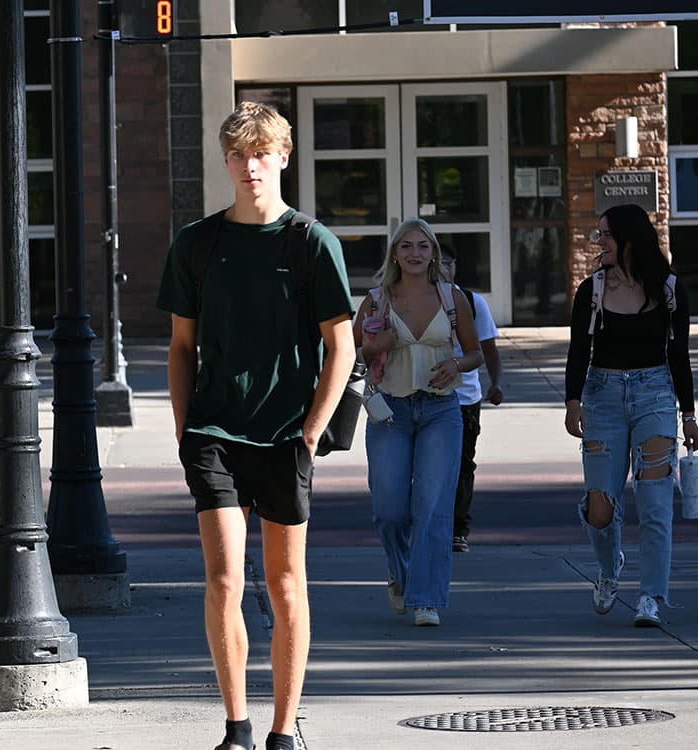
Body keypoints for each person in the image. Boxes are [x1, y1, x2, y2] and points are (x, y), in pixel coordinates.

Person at [156, 102, 355, 750]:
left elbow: (342, 345)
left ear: (283, 156)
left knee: (286, 581)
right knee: (222, 580)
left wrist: (312, 430)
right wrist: (186, 431)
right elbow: (181, 348)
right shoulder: (198, 243)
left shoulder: (310, 242)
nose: (250, 166)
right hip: (215, 431)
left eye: (261, 153)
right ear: (227, 162)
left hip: (284, 435)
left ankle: (282, 730)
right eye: (239, 156)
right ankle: (237, 726)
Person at [565, 204, 698, 628]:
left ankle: (651, 597)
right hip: (603, 397)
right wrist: (573, 402)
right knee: (599, 507)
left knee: (656, 505)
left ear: (628, 239)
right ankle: (610, 568)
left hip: (656, 395)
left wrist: (689, 414)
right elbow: (577, 351)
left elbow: (678, 355)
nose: (598, 242)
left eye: (605, 235)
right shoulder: (593, 290)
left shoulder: (669, 289)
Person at [355, 220, 482, 628]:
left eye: (423, 246)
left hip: (441, 411)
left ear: (433, 254)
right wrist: (376, 346)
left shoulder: (452, 297)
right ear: (394, 253)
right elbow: (352, 354)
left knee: (433, 506)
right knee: (389, 507)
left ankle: (427, 599)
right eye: (406, 246)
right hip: (390, 410)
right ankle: (401, 572)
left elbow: (475, 353)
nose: (415, 253)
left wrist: (455, 364)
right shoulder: (376, 301)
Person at [438, 247, 504, 553]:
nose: (441, 268)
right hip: (426, 394)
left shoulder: (473, 302)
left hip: (465, 398)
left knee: (462, 464)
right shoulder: (416, 299)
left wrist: (496, 383)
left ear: (456, 267)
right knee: (429, 465)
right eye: (436, 262)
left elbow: (488, 348)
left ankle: (458, 529)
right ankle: (431, 524)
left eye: (447, 263)